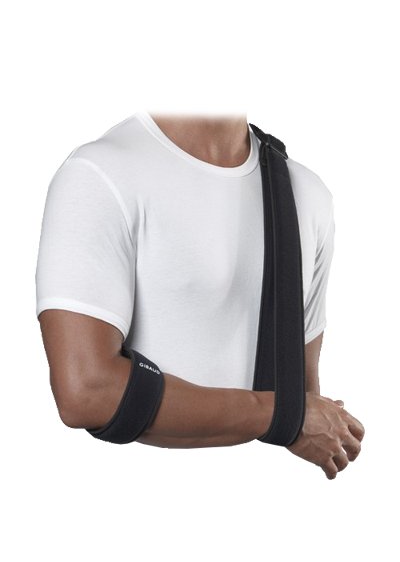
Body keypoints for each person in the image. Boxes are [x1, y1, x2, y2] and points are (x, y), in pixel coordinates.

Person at [35, 110, 365, 479]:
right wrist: (280, 416)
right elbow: (87, 392)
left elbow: (303, 399)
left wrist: (300, 418)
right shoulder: (100, 174)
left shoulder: (305, 192)